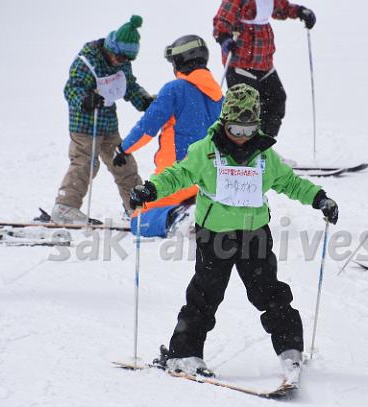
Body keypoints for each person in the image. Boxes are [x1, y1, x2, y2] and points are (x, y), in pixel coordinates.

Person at [129, 84, 339, 386]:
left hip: (254, 235)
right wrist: (150, 190)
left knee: (270, 292)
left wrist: (320, 198)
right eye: (235, 128)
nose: (241, 135)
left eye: (248, 129)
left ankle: (290, 350)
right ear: (225, 121)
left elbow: (290, 182)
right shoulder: (206, 150)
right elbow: (178, 175)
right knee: (205, 294)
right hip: (215, 235)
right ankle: (184, 354)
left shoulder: (264, 155)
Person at [113, 35, 224, 237]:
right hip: (208, 176)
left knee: (139, 219)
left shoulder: (175, 89)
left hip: (178, 175)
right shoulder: (218, 95)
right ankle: (199, 210)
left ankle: (178, 216)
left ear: (180, 61)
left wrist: (123, 149)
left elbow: (147, 127)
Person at [51, 15, 153, 224]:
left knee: (124, 163)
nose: (122, 62)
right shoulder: (87, 61)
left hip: (108, 124)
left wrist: (144, 101)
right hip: (85, 123)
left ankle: (137, 208)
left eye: (127, 59)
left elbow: (129, 86)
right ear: (111, 47)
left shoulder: (122, 64)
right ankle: (65, 207)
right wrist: (85, 99)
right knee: (85, 164)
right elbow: (72, 88)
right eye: (120, 57)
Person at [213, 0, 316, 137]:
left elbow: (282, 8)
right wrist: (224, 38)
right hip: (241, 64)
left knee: (276, 100)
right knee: (244, 109)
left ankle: (264, 141)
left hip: (264, 62)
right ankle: (241, 144)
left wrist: (300, 11)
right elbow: (222, 20)